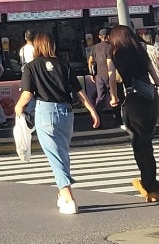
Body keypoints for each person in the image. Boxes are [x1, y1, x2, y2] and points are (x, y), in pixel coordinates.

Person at [14, 31, 100, 214]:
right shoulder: (63, 64)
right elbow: (78, 90)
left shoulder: (31, 67)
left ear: (36, 46)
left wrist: (18, 108)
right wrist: (92, 110)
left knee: (55, 156)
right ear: (52, 45)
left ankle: (69, 198)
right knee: (62, 152)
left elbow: (27, 94)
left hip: (45, 112)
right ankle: (62, 195)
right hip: (66, 113)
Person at [105, 24, 159, 202]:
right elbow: (155, 77)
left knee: (139, 144)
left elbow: (111, 76)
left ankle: (149, 186)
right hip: (150, 99)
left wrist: (113, 96)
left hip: (133, 101)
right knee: (147, 142)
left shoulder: (114, 53)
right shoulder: (141, 50)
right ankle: (151, 183)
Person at [88, 27, 113, 111]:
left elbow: (90, 61)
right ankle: (118, 118)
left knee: (100, 97)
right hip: (111, 75)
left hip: (99, 76)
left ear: (99, 36)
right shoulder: (111, 46)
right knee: (114, 96)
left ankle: (97, 116)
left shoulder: (95, 47)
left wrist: (92, 73)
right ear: (109, 36)